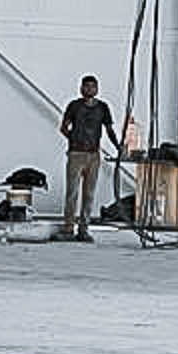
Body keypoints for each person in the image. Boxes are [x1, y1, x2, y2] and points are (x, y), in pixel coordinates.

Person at [58, 75, 118, 242]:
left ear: (97, 89)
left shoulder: (103, 108)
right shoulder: (74, 106)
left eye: (92, 87)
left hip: (94, 155)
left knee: (89, 194)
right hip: (76, 154)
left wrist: (118, 147)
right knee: (72, 193)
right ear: (81, 88)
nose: (89, 89)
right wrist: (74, 140)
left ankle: (84, 229)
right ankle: (68, 228)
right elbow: (63, 127)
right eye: (86, 86)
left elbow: (109, 130)